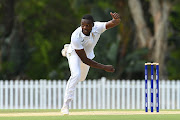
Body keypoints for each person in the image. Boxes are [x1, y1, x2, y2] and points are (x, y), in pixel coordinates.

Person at [61, 12, 121, 115]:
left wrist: (116, 20)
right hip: (75, 53)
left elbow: (111, 23)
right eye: (82, 25)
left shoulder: (98, 27)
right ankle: (65, 106)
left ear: (92, 25)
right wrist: (104, 67)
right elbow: (85, 60)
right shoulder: (76, 36)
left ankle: (66, 50)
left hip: (87, 54)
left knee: (81, 78)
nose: (84, 27)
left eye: (87, 25)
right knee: (75, 75)